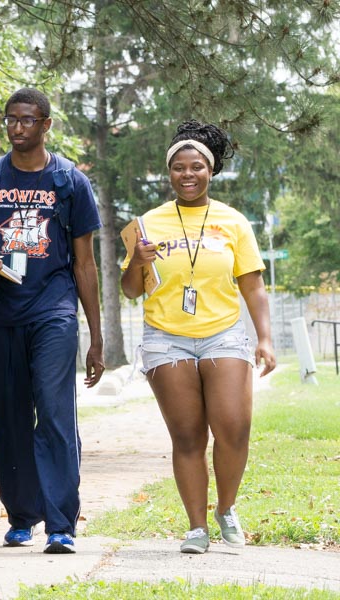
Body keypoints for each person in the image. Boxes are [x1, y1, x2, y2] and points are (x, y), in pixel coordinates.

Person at [0, 87, 105, 555]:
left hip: (54, 312)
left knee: (56, 413)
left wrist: (95, 337)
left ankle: (61, 523)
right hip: (0, 317)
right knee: (8, 418)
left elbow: (85, 264)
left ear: (46, 125)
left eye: (27, 119)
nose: (17, 127)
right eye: (10, 120)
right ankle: (22, 515)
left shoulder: (70, 182)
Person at [121, 120, 276, 554]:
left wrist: (264, 338)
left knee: (234, 428)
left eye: (196, 167)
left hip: (223, 333)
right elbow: (132, 290)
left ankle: (226, 508)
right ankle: (196, 527)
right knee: (188, 436)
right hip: (166, 338)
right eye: (178, 168)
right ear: (168, 173)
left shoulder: (233, 221)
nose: (187, 175)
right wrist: (136, 259)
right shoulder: (148, 223)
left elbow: (253, 285)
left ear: (210, 171)